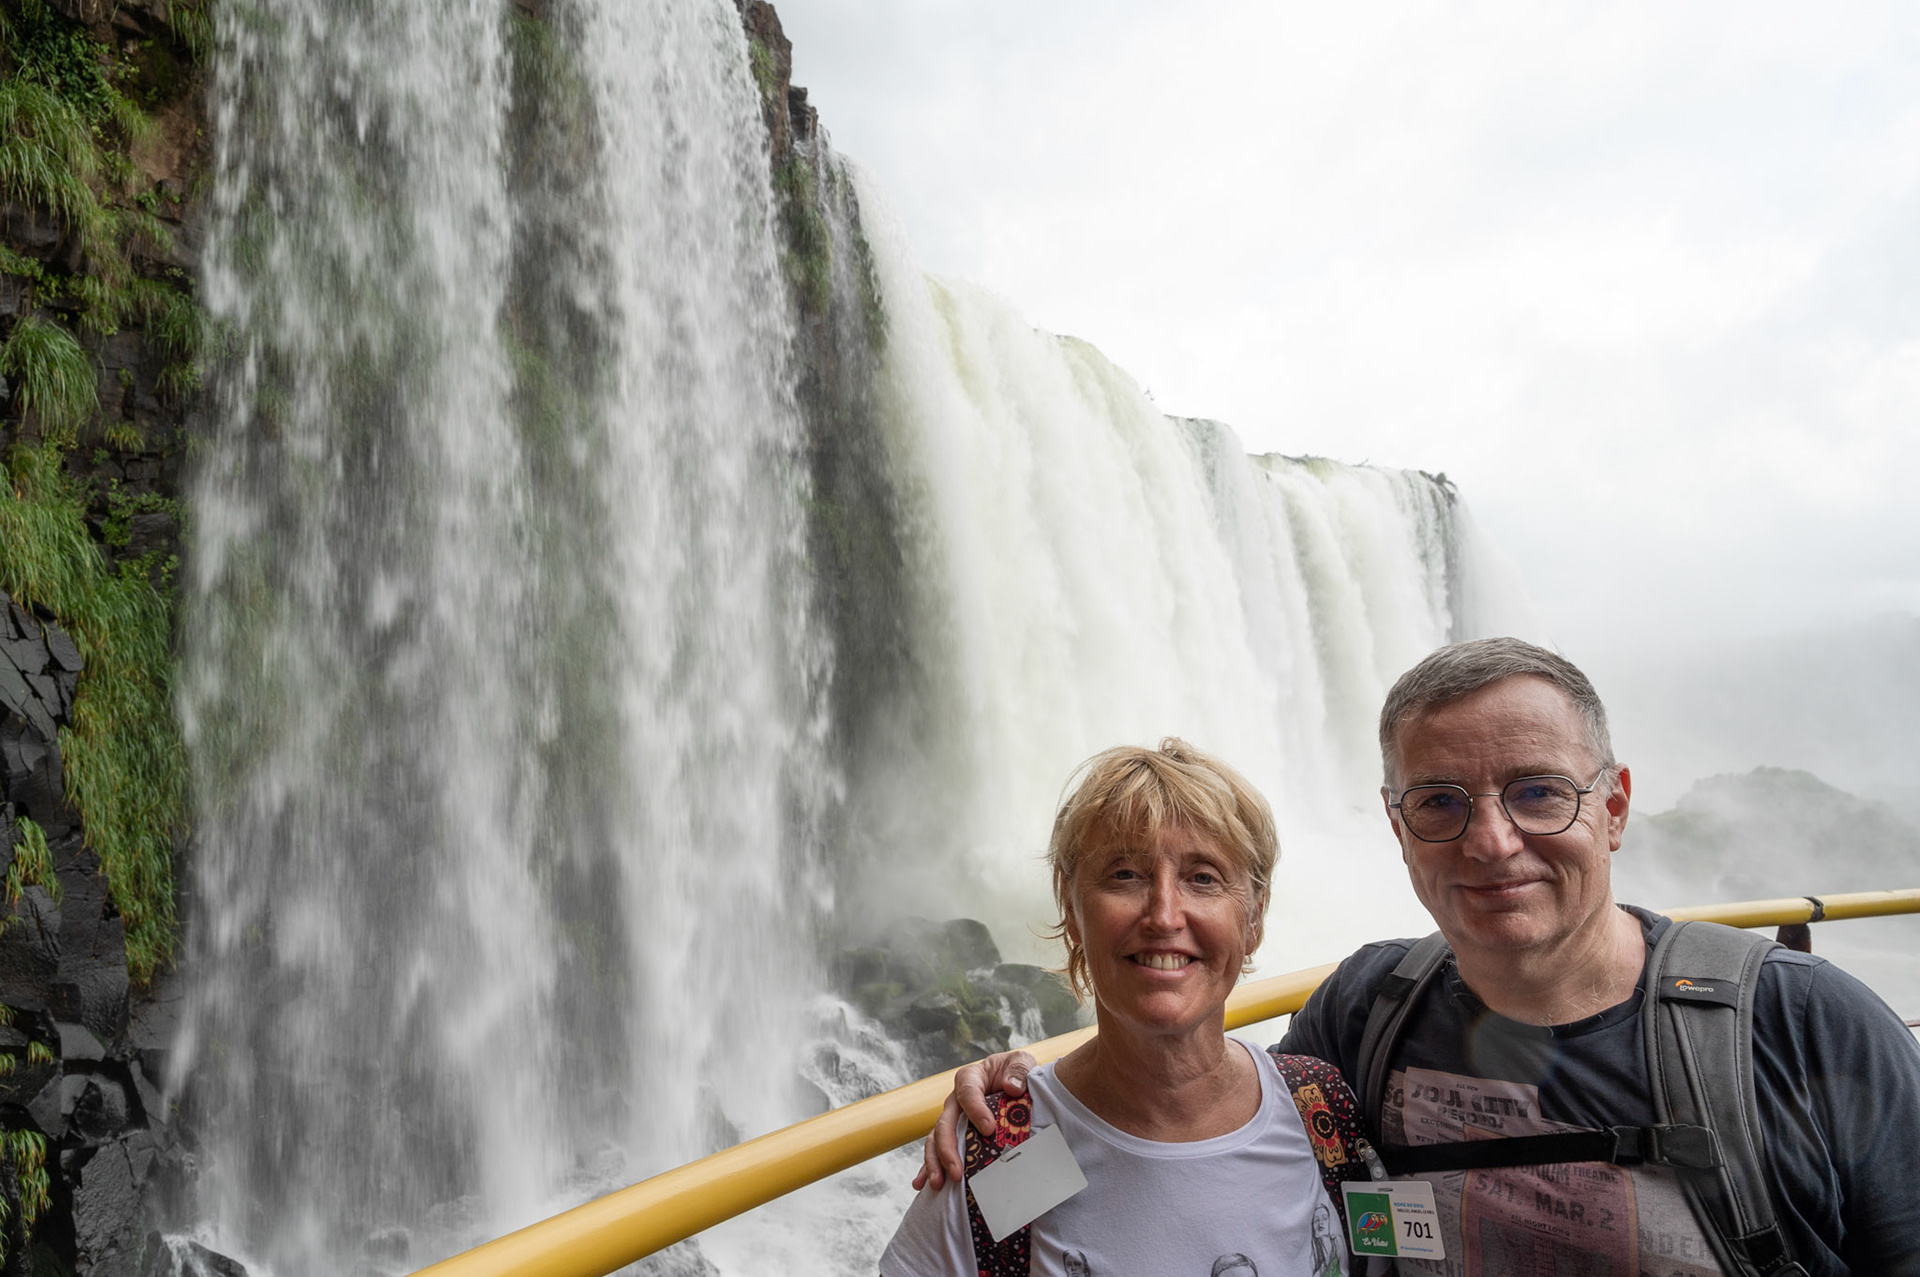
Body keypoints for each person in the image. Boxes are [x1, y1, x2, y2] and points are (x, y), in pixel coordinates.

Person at [921, 638, 1920, 1277]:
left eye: (1539, 792)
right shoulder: (1362, 1023)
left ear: (1613, 807)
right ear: (1398, 827)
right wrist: (1014, 1100)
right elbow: (1171, 1138)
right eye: (1442, 801)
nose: (1492, 840)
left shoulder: (1810, 1030)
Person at [882, 740, 1350, 1277]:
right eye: (1125, 874)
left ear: (1254, 917)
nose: (1164, 915)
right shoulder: (1017, 1148)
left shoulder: (1319, 1114)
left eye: (1203, 878)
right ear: (1071, 907)